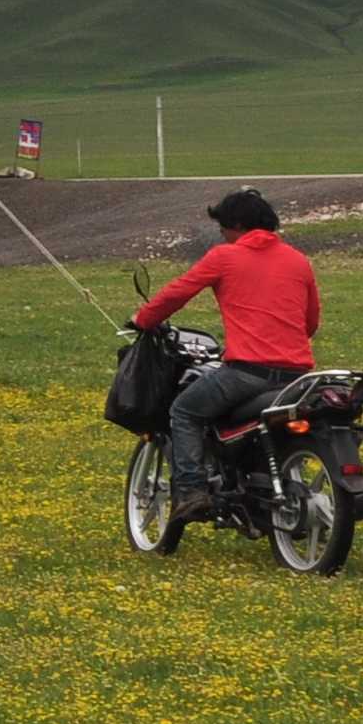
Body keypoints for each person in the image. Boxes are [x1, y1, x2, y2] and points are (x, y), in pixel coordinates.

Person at [128, 188, 319, 509]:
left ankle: (191, 493)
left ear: (238, 225)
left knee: (184, 411)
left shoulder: (225, 257)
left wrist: (143, 319)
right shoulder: (298, 260)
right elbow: (310, 324)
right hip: (297, 376)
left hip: (247, 374)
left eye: (224, 230)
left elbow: (178, 292)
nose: (223, 236)